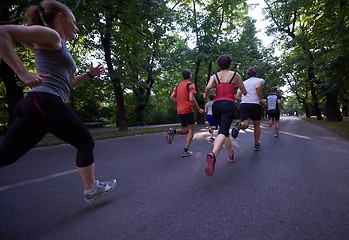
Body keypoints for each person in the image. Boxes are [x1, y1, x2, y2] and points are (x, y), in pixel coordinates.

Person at [0, 0, 116, 203]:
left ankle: (91, 188)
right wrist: (23, 73)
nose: (77, 28)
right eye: (74, 21)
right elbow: (2, 33)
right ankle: (91, 188)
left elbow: (68, 83)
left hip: (38, 106)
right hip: (45, 101)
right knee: (85, 141)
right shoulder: (51, 35)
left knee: (7, 155)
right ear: (61, 18)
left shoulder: (59, 46)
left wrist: (89, 74)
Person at [203, 54, 247, 177]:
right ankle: (213, 154)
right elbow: (244, 91)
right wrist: (240, 90)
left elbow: (208, 87)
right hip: (228, 105)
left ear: (219, 64)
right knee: (222, 132)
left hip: (216, 105)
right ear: (230, 63)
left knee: (224, 131)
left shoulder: (215, 76)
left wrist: (206, 94)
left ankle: (230, 153)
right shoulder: (235, 75)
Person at [166, 69, 204, 157]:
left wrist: (180, 102)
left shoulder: (178, 85)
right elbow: (191, 98)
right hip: (187, 110)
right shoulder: (190, 85)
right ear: (190, 75)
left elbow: (172, 97)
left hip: (180, 110)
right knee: (191, 130)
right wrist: (198, 109)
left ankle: (173, 131)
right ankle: (185, 151)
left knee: (185, 130)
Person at [234, 65, 266, 151]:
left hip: (244, 104)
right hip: (255, 104)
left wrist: (245, 98)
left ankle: (239, 125)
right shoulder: (260, 80)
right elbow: (258, 86)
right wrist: (260, 99)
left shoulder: (243, 82)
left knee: (245, 124)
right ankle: (256, 144)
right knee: (257, 125)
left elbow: (237, 97)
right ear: (257, 73)